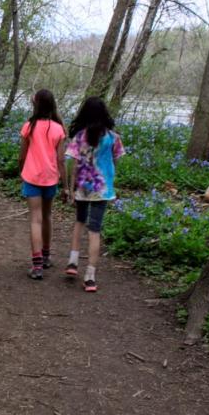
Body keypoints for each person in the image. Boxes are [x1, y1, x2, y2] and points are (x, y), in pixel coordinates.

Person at [63, 96, 125, 292]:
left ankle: (72, 262)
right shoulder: (113, 138)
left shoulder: (79, 136)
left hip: (83, 187)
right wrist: (111, 182)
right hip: (103, 189)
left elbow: (73, 165)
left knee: (79, 222)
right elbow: (115, 162)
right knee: (95, 230)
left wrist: (71, 190)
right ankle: (90, 276)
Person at [18, 89, 66, 280]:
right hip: (51, 177)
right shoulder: (58, 128)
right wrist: (66, 185)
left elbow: (22, 155)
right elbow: (61, 160)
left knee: (35, 219)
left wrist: (21, 170)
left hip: (31, 177)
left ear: (36, 105)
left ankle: (36, 266)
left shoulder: (29, 126)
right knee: (47, 216)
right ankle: (46, 256)